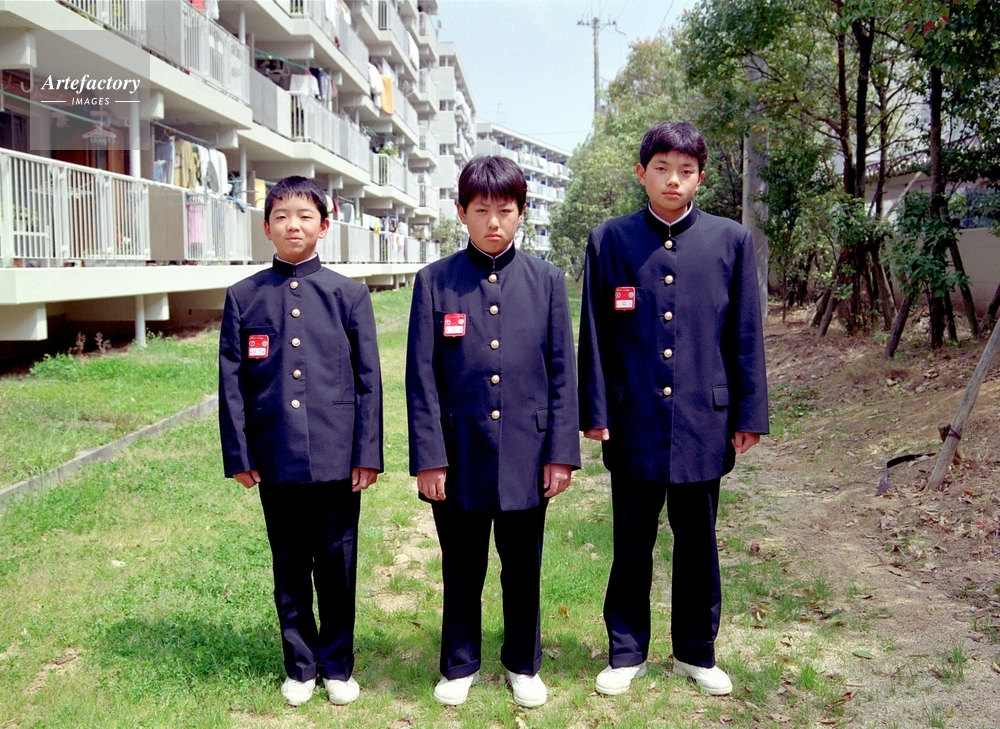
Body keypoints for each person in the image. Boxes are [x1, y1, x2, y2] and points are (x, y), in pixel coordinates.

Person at [577, 122, 769, 697]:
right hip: (632, 419)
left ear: (700, 178)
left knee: (698, 542)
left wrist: (748, 415)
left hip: (703, 422)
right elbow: (594, 334)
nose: (673, 180)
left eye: (686, 171)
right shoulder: (609, 240)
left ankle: (696, 651)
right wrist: (595, 410)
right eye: (662, 168)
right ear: (642, 173)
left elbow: (744, 334)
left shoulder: (730, 240)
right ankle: (626, 651)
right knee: (631, 541)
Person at [406, 156, 581, 708]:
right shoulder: (435, 282)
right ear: (461, 212)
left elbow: (562, 373)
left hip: (529, 451)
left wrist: (561, 454)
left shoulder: (546, 281)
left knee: (523, 564)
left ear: (521, 212)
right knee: (462, 565)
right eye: (481, 210)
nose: (493, 222)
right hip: (459, 451)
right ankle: (459, 663)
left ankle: (523, 662)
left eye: (505, 210)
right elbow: (421, 377)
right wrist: (429, 457)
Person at [219, 176, 383, 707]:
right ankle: (300, 665)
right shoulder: (245, 297)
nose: (294, 225)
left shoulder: (348, 295)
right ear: (266, 227)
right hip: (275, 455)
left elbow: (368, 381)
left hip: (338, 456)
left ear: (325, 226)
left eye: (305, 216)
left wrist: (367, 453)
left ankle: (337, 665)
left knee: (337, 562)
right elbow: (232, 383)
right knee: (289, 564)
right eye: (282, 216)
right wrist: (240, 454)